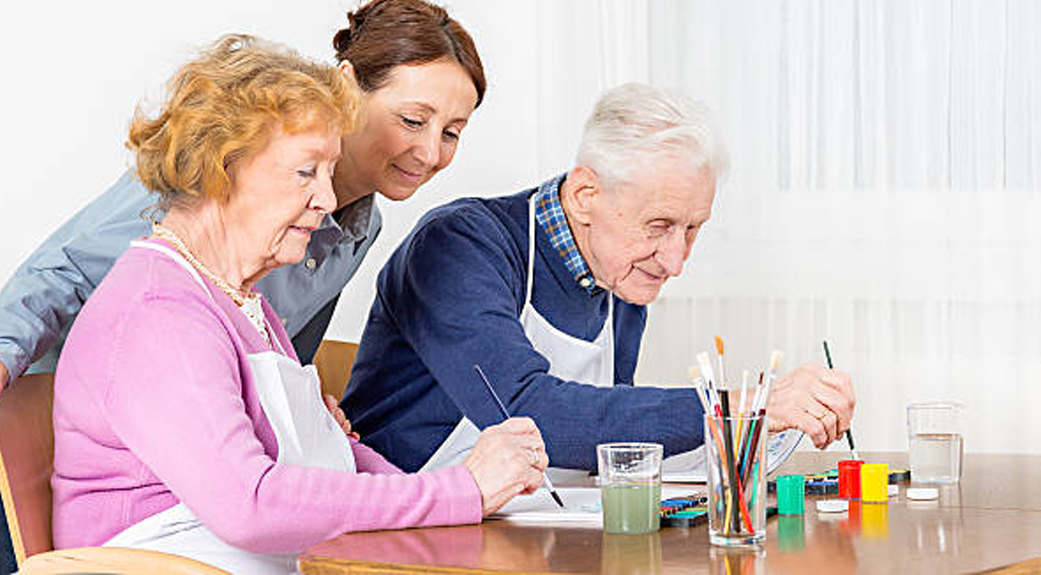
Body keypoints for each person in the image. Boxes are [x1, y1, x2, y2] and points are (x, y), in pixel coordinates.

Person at [0, 0, 486, 574]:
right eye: (412, 120)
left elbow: (277, 374)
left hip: (199, 459)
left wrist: (316, 427)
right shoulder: (179, 244)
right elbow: (69, 268)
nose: (430, 151)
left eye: (452, 132)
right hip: (61, 415)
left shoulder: (287, 264)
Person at [51, 34, 546, 574]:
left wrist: (457, 501)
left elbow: (335, 458)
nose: (327, 200)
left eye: (329, 172)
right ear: (222, 168)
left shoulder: (240, 300)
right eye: (306, 172)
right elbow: (250, 505)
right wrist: (459, 492)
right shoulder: (159, 311)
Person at [341, 83, 856, 475]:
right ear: (587, 195)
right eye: (659, 226)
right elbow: (527, 415)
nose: (675, 260)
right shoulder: (462, 244)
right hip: (408, 534)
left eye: (692, 229)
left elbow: (605, 436)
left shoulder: (622, 273)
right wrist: (740, 408)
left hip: (531, 527)